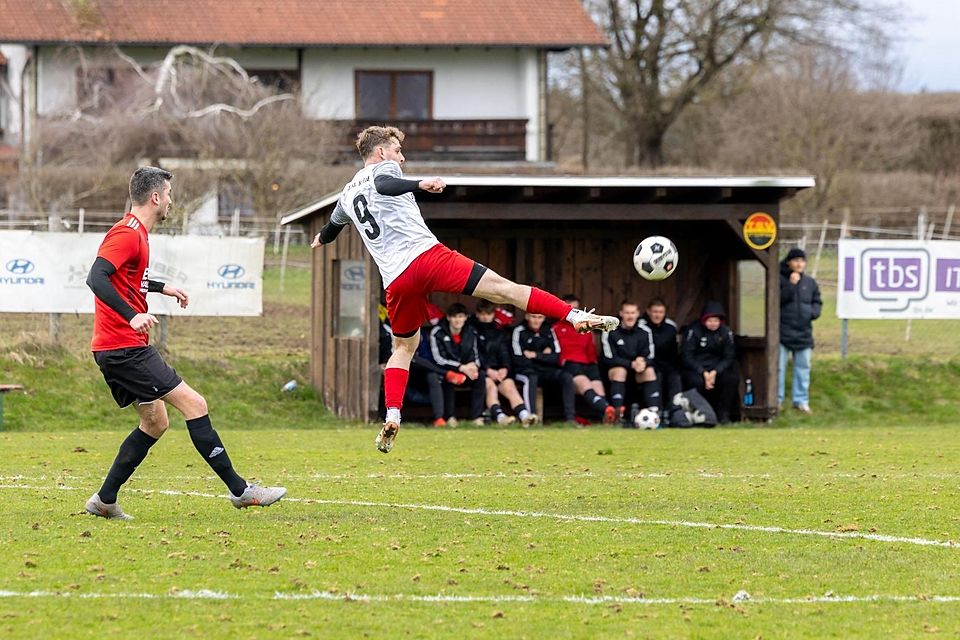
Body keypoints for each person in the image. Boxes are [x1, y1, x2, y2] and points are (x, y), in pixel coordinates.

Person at [311, 126, 618, 452]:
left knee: (402, 348)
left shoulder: (347, 193)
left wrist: (320, 239)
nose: (401, 157)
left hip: (396, 280)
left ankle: (393, 414)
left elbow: (333, 226)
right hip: (427, 258)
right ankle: (573, 315)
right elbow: (385, 184)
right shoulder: (385, 169)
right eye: (397, 150)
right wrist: (420, 183)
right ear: (381, 152)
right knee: (505, 290)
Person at [84, 167, 285, 520]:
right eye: (170, 195)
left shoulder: (138, 234)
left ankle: (104, 500)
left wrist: (163, 288)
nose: (172, 202)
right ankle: (241, 491)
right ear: (156, 197)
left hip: (116, 347)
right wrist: (132, 315)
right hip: (124, 346)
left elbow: (129, 278)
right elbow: (96, 277)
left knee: (155, 422)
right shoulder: (128, 233)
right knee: (194, 403)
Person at [554, 294, 617, 424]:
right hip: (570, 363)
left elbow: (591, 350)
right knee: (585, 384)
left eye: (576, 310)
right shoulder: (556, 328)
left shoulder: (586, 328)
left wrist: (593, 364)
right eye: (570, 310)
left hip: (589, 363)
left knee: (598, 388)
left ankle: (607, 419)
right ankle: (608, 409)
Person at [469, 300, 534, 426]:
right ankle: (500, 417)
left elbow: (504, 352)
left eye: (488, 314)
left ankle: (525, 416)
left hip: (499, 370)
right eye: (482, 314)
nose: (485, 317)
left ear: (493, 314)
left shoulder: (499, 332)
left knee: (510, 387)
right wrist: (487, 370)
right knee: (490, 387)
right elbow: (473, 353)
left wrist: (505, 368)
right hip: (481, 371)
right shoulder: (471, 330)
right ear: (477, 314)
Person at [427, 303, 486, 426]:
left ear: (465, 318)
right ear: (448, 317)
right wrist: (460, 367)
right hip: (445, 370)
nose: (457, 320)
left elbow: (475, 353)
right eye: (454, 317)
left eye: (460, 316)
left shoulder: (471, 331)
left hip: (466, 369)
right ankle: (450, 417)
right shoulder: (438, 332)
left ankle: (477, 417)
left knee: (480, 376)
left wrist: (474, 366)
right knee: (450, 378)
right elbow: (438, 359)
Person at [779, 247, 822, 414]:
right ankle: (777, 400)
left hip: (803, 331)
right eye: (796, 260)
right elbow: (777, 300)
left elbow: (817, 301)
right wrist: (791, 284)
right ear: (789, 262)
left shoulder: (810, 283)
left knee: (803, 368)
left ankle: (801, 401)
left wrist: (812, 313)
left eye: (802, 260)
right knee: (779, 368)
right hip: (783, 331)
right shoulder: (781, 279)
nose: (799, 264)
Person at [680, 301, 739, 424]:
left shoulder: (725, 332)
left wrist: (715, 372)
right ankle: (700, 414)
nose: (713, 324)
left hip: (717, 369)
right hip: (696, 368)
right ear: (704, 319)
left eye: (716, 320)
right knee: (695, 381)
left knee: (731, 379)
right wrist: (703, 372)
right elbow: (687, 356)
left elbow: (729, 356)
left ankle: (724, 415)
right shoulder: (694, 331)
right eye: (710, 320)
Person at [511, 313, 576, 423]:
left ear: (544, 318)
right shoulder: (519, 331)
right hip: (525, 371)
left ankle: (570, 419)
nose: (536, 321)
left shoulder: (549, 330)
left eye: (540, 317)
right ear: (527, 317)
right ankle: (531, 417)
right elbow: (518, 359)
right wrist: (544, 355)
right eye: (533, 317)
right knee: (531, 377)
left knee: (566, 377)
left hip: (545, 370)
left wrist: (535, 355)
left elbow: (556, 357)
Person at [601, 301, 658, 424]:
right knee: (619, 371)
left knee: (649, 371)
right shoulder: (610, 330)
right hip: (616, 371)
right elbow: (609, 358)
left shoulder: (645, 331)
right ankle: (617, 415)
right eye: (627, 313)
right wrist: (631, 364)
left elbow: (650, 356)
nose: (630, 316)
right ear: (621, 314)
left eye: (633, 313)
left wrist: (643, 362)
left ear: (638, 314)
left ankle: (655, 415)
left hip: (638, 371)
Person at [639, 298, 688, 427]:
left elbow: (673, 352)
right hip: (649, 364)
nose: (657, 315)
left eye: (661, 312)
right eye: (655, 311)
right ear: (648, 311)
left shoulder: (670, 327)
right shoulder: (642, 326)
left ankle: (675, 413)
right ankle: (657, 415)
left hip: (667, 364)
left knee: (675, 377)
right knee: (656, 377)